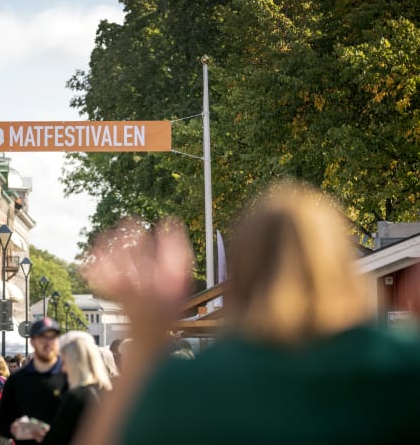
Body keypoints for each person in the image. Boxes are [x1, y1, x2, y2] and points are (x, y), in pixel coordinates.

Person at [75, 181, 420, 445]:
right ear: (341, 268)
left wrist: (145, 339)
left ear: (242, 272)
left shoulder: (187, 388)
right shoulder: (403, 366)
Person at [0, 317, 68, 445]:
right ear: (32, 341)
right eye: (42, 337)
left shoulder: (70, 377)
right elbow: (0, 423)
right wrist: (15, 429)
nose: (48, 342)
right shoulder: (16, 381)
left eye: (53, 337)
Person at [36, 337, 111, 445]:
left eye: (64, 363)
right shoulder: (106, 391)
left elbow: (56, 438)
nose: (62, 369)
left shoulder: (75, 396)